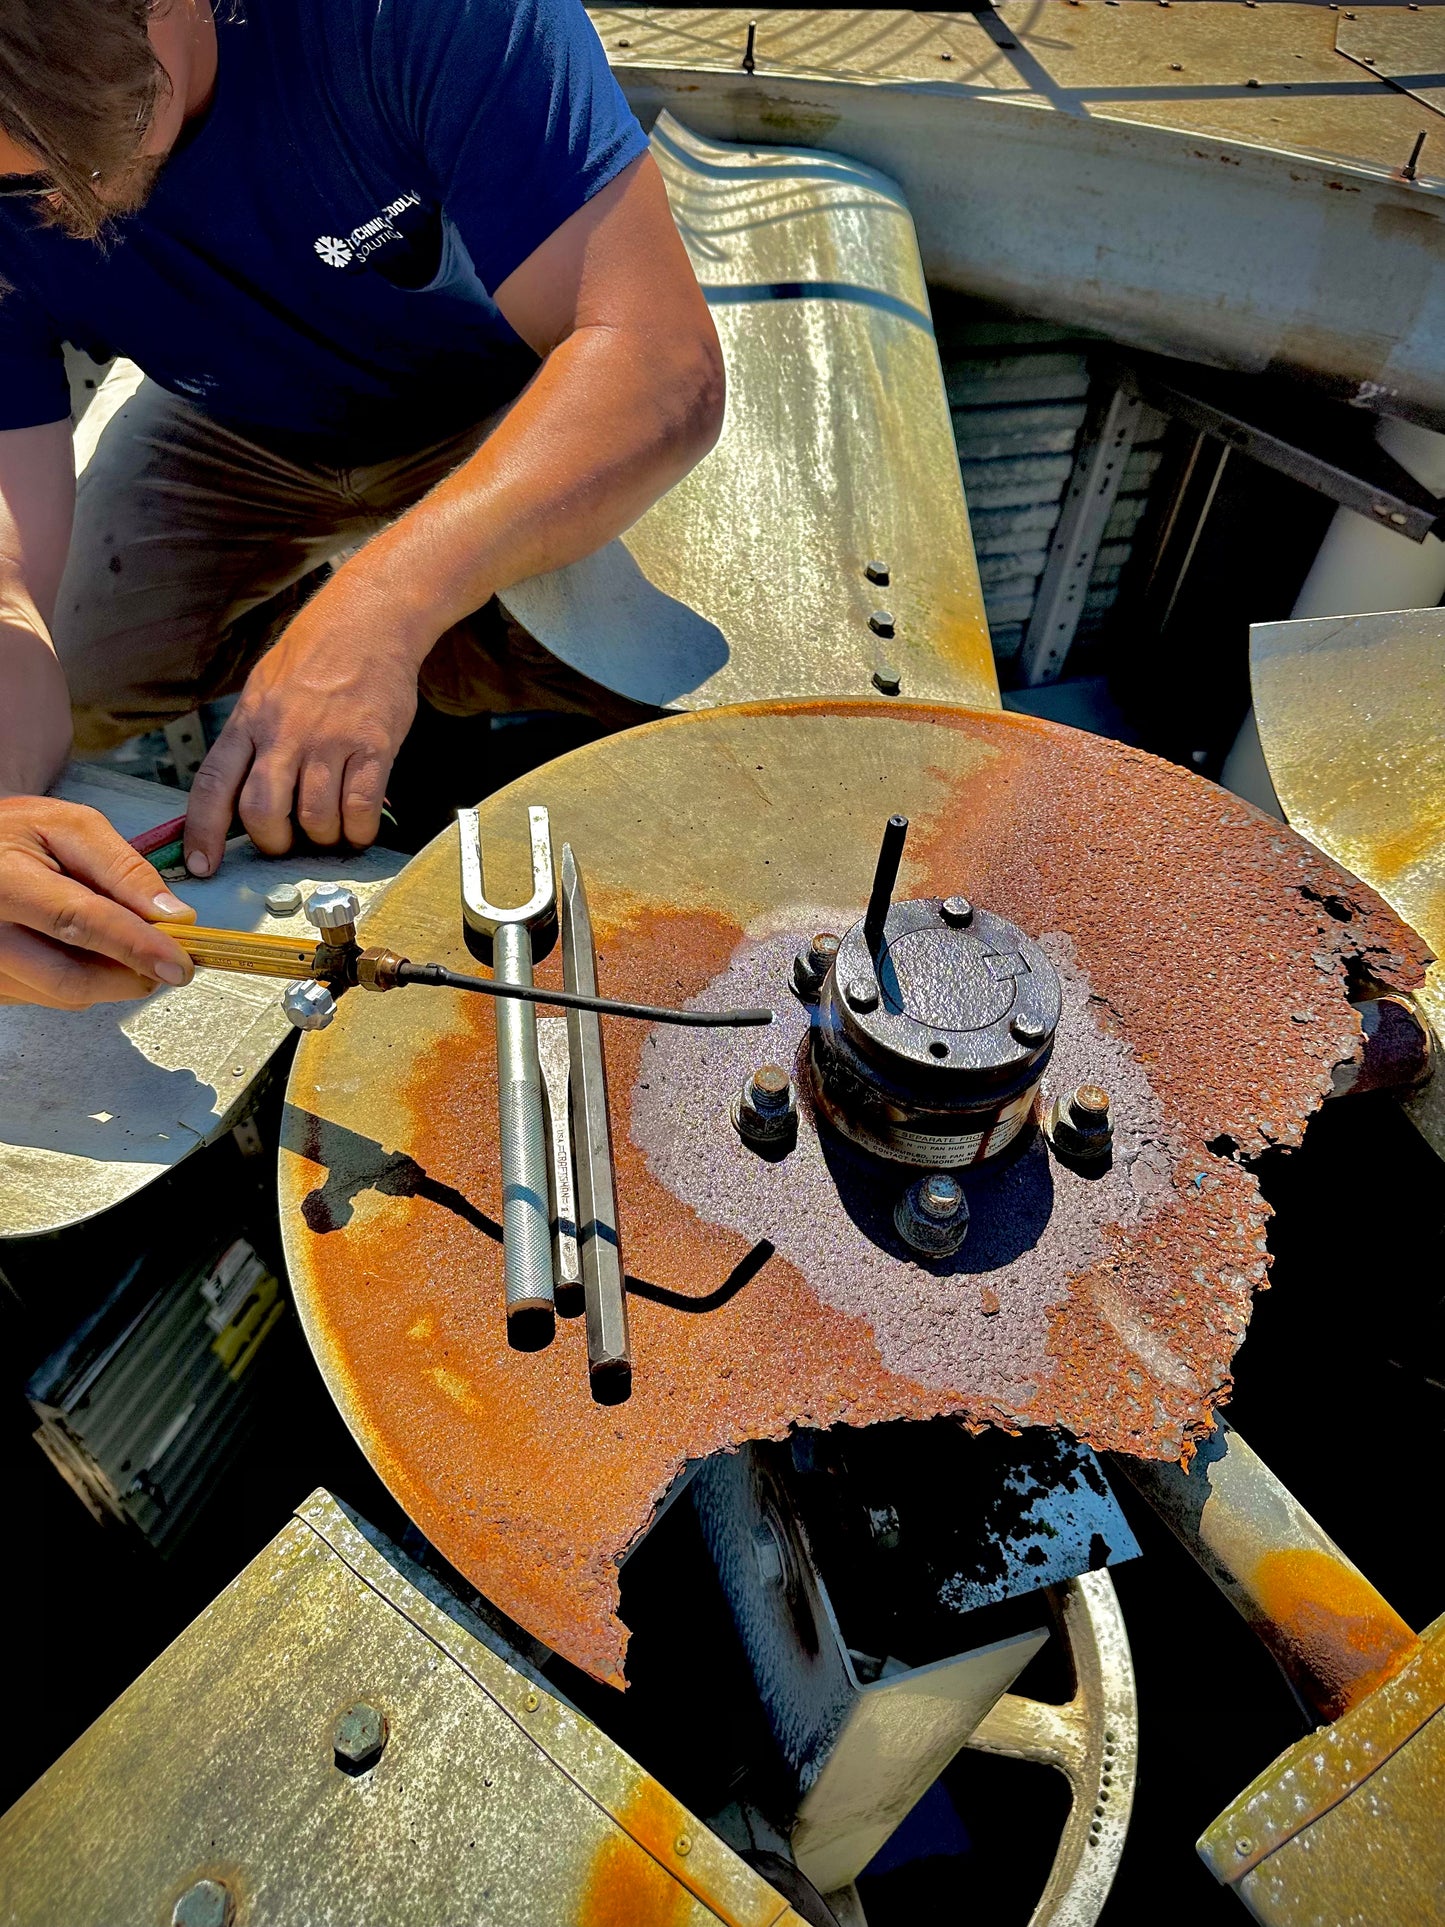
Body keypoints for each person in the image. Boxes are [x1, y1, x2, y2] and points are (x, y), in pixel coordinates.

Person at [0, 0, 724, 1009]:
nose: (48, 191)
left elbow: (659, 364)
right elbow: (7, 585)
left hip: (508, 389)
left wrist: (383, 604)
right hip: (230, 418)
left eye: (71, 131)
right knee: (68, 682)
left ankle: (424, 668)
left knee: (695, 707)